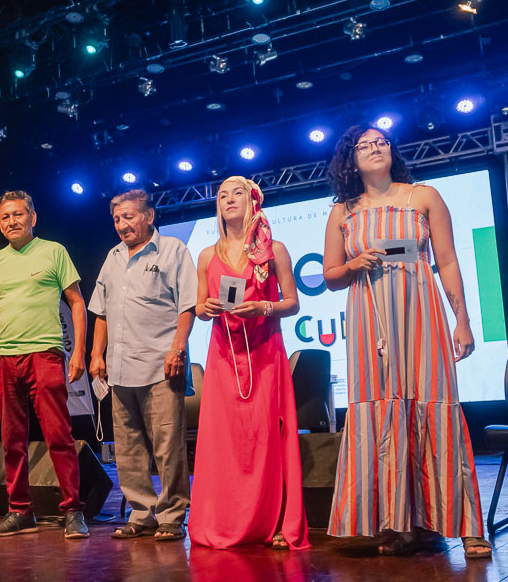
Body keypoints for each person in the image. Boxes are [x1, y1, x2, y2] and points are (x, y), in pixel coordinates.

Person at [323, 125, 490, 558]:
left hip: (422, 313)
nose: (375, 148)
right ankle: (400, 523)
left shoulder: (424, 196)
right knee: (383, 413)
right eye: (365, 145)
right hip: (369, 322)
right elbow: (329, 276)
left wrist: (464, 321)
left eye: (381, 142)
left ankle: (466, 524)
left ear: (391, 151)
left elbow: (448, 260)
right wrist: (353, 263)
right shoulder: (344, 211)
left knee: (433, 406)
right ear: (351, 160)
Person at [189, 176, 310, 550]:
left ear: (253, 200)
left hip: (265, 353)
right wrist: (206, 309)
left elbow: (293, 302)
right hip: (224, 358)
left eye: (236, 192)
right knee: (227, 440)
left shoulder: (274, 250)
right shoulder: (207, 255)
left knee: (266, 438)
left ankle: (272, 521)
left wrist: (264, 306)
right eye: (222, 195)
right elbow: (199, 307)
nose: (228, 199)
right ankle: (228, 518)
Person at [0, 190, 90, 539]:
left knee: (59, 436)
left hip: (45, 353)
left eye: (18, 214)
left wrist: (80, 352)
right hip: (3, 359)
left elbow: (78, 303)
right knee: (11, 440)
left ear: (33, 217)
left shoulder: (54, 251)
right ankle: (20, 510)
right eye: (5, 217)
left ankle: (72, 510)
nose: (12, 221)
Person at [88, 189, 197, 542]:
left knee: (168, 448)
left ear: (149, 216)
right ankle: (141, 513)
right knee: (129, 449)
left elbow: (188, 305)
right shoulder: (113, 256)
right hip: (120, 369)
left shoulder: (173, 251)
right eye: (117, 219)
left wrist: (177, 348)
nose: (122, 225)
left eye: (129, 217)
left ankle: (171, 515)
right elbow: (100, 311)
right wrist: (96, 354)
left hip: (160, 366)